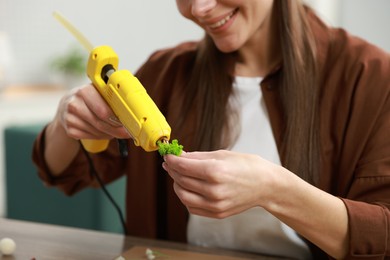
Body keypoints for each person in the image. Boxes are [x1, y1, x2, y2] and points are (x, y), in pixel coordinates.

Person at [32, 0, 390, 259]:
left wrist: (275, 190)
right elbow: (65, 172)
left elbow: (382, 233)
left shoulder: (369, 77)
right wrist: (67, 122)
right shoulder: (164, 73)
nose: (199, 8)